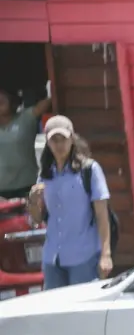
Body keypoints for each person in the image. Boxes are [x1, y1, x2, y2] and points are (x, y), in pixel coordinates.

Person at [28, 115, 114, 290]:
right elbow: (37, 219)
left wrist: (106, 254)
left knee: (82, 311)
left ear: (72, 140)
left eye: (63, 139)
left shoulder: (89, 170)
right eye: (54, 140)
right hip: (53, 257)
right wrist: (32, 201)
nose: (59, 145)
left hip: (83, 255)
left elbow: (102, 215)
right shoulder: (45, 173)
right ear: (47, 142)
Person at [0, 86, 51, 200]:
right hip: (1, 191)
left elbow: (47, 102)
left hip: (27, 187)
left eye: (3, 97)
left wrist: (51, 87)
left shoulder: (26, 118)